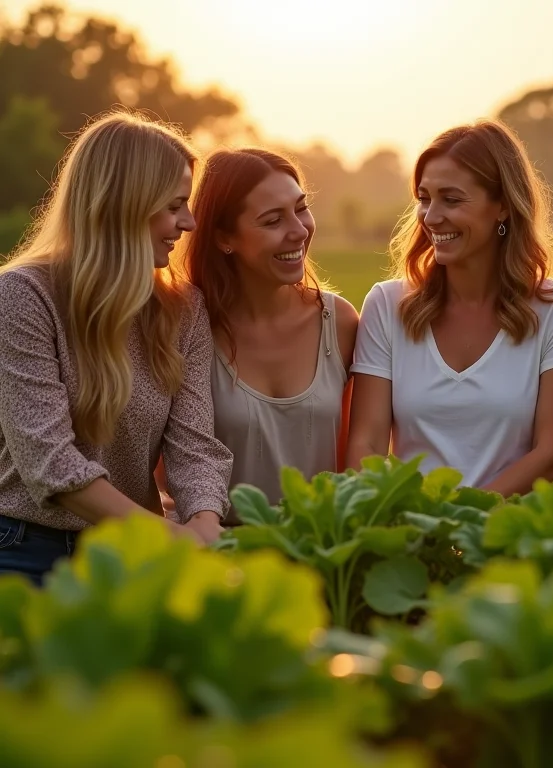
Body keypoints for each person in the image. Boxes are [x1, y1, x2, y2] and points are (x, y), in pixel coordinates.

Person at [0, 112, 233, 585]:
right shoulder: (23, 296)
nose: (188, 222)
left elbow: (194, 445)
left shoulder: (183, 308)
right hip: (26, 550)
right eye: (174, 205)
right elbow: (49, 462)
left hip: (130, 556)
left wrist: (205, 522)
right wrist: (169, 537)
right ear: (123, 204)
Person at [346, 120, 553, 495]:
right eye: (424, 198)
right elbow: (365, 445)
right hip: (409, 533)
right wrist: (409, 524)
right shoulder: (386, 305)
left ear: (502, 207)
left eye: (452, 199)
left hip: (508, 538)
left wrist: (460, 525)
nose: (431, 217)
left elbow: (552, 456)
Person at [180, 148, 357, 516]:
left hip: (323, 553)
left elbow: (356, 457)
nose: (299, 230)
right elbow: (170, 474)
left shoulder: (340, 323)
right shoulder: (186, 328)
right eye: (273, 221)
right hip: (220, 555)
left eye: (301, 208)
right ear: (224, 238)